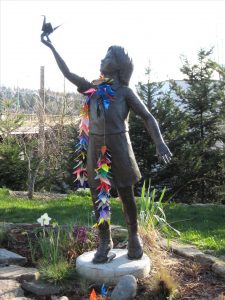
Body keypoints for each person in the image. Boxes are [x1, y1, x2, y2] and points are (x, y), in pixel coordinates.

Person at [41, 35, 172, 263]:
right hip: (95, 147)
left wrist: (160, 143)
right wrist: (52, 47)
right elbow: (68, 74)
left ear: (119, 64)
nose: (103, 59)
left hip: (120, 145)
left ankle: (133, 236)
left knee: (126, 194)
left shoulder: (125, 92)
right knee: (99, 197)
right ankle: (105, 240)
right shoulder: (93, 88)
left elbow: (148, 118)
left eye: (109, 56)